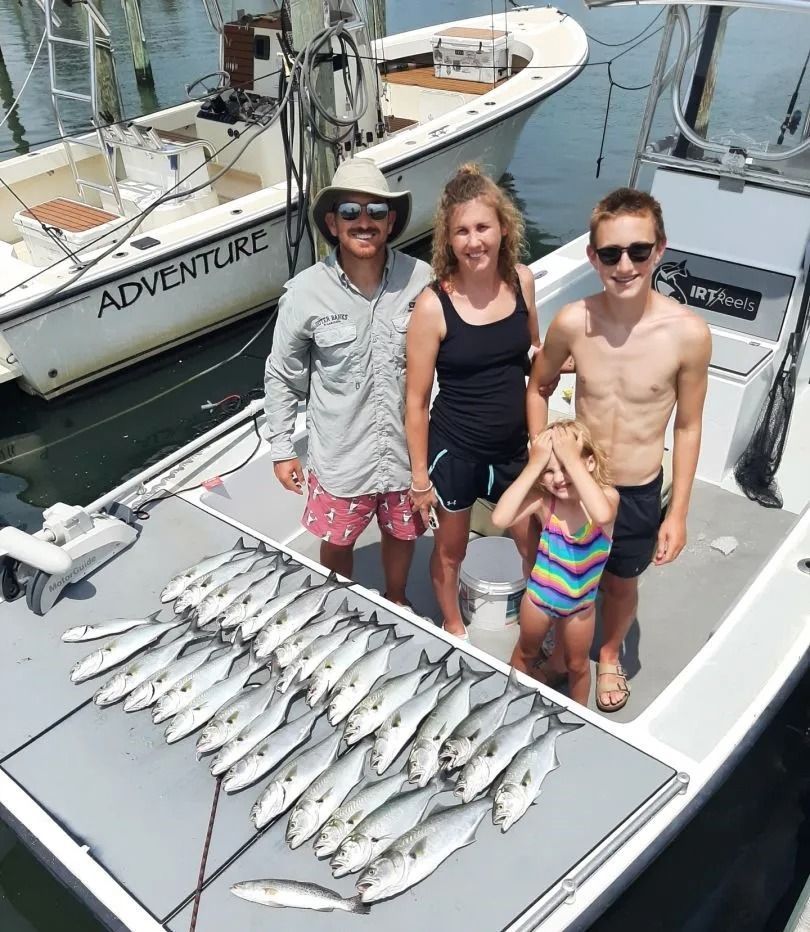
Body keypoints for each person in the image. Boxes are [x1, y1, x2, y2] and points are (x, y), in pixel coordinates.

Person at [527, 187, 711, 711]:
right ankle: (566, 643)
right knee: (567, 571)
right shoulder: (572, 321)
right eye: (610, 253)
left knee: (621, 583)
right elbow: (538, 386)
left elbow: (689, 427)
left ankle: (607, 654)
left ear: (660, 249)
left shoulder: (688, 334)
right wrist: (542, 455)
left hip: (636, 487)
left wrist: (677, 513)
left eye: (638, 250)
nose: (624, 264)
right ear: (592, 257)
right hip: (577, 487)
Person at [264, 158, 432, 605]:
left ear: (390, 221)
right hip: (341, 457)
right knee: (337, 541)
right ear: (333, 223)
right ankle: (337, 608)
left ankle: (397, 598)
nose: (364, 222)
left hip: (404, 453)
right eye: (351, 212)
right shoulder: (303, 292)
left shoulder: (422, 279)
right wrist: (282, 449)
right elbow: (282, 374)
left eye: (376, 212)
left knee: (402, 532)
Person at [406, 164, 541, 639]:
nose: (474, 241)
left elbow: (533, 358)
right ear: (448, 239)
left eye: (483, 227)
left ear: (504, 227)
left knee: (533, 542)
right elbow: (417, 400)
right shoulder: (432, 305)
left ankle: (536, 623)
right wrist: (420, 479)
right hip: (454, 451)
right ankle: (452, 623)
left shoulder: (523, 282)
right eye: (461, 231)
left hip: (512, 450)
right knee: (451, 550)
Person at [492, 420, 618, 706]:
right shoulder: (544, 501)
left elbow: (601, 515)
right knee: (525, 652)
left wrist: (569, 459)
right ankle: (505, 704)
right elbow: (500, 518)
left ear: (588, 462)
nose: (558, 477)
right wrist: (533, 466)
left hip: (581, 608)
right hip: (538, 599)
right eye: (549, 471)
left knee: (578, 666)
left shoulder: (607, 497)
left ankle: (577, 716)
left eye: (567, 466)